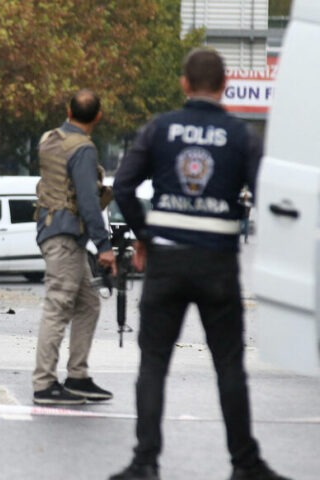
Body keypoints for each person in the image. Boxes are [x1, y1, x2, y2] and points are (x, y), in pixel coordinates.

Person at [110, 48, 289, 480]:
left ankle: (145, 462)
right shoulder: (241, 136)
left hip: (166, 263)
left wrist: (145, 235)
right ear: (225, 85)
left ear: (184, 84)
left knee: (154, 363)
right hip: (217, 266)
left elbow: (124, 186)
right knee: (228, 365)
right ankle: (245, 463)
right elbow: (268, 195)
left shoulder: (160, 129)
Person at [32, 89, 116, 406]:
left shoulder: (48, 139)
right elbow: (88, 200)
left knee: (89, 303)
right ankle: (44, 383)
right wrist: (104, 246)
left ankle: (78, 376)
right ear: (98, 116)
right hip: (66, 237)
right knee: (58, 307)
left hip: (53, 231)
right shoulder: (83, 148)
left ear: (68, 111)